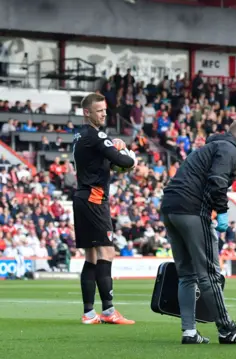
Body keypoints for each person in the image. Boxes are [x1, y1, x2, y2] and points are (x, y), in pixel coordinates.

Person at [160, 120, 236, 345]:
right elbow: (217, 180)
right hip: (192, 210)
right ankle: (227, 330)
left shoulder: (212, 147)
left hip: (170, 208)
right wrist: (222, 212)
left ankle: (189, 332)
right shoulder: (229, 148)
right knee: (209, 274)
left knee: (186, 274)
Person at [73, 93, 137, 325]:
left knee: (91, 256)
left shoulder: (80, 135)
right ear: (87, 112)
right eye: (99, 110)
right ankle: (109, 311)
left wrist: (112, 161)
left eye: (105, 110)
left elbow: (100, 161)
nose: (103, 114)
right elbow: (125, 162)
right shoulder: (96, 135)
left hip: (83, 197)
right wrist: (128, 157)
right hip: (94, 199)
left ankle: (89, 313)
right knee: (107, 253)